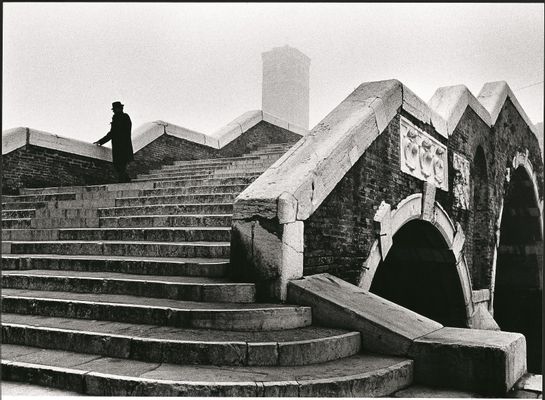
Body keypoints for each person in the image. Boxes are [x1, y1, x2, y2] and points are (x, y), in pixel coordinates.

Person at [94, 101, 134, 183]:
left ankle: (123, 180)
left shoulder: (118, 118)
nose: (114, 111)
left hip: (120, 146)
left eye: (114, 109)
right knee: (120, 165)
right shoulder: (124, 117)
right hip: (123, 146)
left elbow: (113, 133)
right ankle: (125, 179)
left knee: (119, 165)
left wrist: (101, 141)